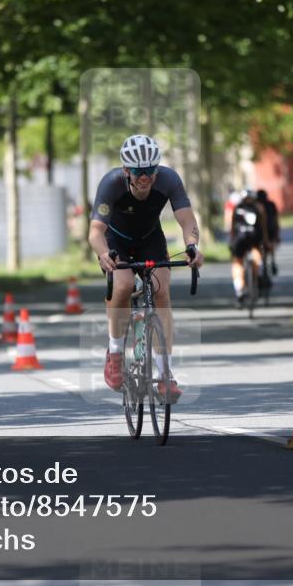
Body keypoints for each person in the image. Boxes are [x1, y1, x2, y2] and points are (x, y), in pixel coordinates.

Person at [89, 134, 205, 403]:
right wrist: (103, 253)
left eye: (151, 170)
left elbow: (188, 221)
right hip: (115, 240)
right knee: (123, 285)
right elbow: (95, 231)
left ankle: (165, 375)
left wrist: (192, 246)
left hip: (150, 238)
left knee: (161, 291)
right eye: (138, 172)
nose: (145, 177)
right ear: (126, 170)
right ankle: (115, 354)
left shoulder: (169, 179)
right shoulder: (111, 183)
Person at [228, 190, 270, 306]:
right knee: (257, 256)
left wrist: (231, 241)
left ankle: (239, 290)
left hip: (239, 238)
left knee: (237, 263)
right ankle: (257, 275)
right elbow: (263, 226)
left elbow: (232, 227)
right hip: (255, 238)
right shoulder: (259, 207)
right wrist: (266, 241)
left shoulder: (237, 208)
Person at [255, 189, 281, 280]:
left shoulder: (257, 205)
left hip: (264, 229)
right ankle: (272, 261)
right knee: (270, 246)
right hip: (270, 229)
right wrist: (277, 232)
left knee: (264, 247)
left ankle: (267, 263)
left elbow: (275, 218)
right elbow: (276, 218)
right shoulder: (270, 204)